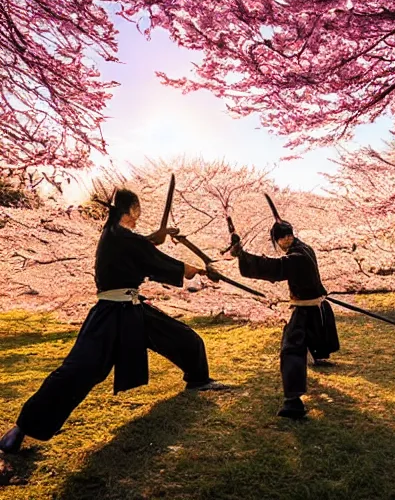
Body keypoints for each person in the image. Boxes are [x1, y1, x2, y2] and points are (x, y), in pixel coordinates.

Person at [0, 189, 228, 455]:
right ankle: (22, 428)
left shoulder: (116, 235)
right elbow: (153, 258)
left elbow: (142, 247)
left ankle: (198, 378)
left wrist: (156, 238)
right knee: (80, 370)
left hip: (132, 309)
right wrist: (199, 269)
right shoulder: (123, 239)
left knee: (184, 338)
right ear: (131, 210)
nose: (139, 214)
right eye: (138, 209)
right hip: (110, 316)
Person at [229, 220, 339, 419]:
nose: (283, 242)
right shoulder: (305, 249)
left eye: (284, 237)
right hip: (316, 308)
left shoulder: (297, 257)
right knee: (305, 342)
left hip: (306, 310)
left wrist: (243, 256)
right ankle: (315, 359)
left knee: (290, 350)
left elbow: (274, 267)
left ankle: (293, 402)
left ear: (288, 237)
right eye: (281, 238)